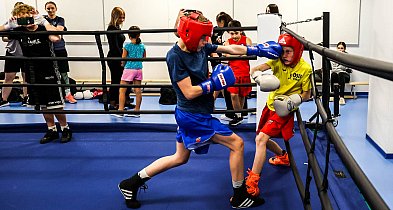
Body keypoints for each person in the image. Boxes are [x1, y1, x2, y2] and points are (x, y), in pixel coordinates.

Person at [118, 10, 282, 209]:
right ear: (190, 35)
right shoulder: (175, 56)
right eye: (203, 38)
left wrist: (257, 50)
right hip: (193, 116)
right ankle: (239, 195)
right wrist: (214, 83)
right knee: (237, 144)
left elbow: (230, 50)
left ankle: (131, 183)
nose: (207, 41)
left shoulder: (200, 47)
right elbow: (188, 92)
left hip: (194, 113)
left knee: (179, 157)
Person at [245, 33, 312, 197]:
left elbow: (307, 94)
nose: (285, 55)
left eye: (289, 51)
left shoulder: (305, 69)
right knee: (260, 138)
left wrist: (294, 100)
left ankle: (252, 182)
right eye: (283, 51)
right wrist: (258, 77)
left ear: (297, 51)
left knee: (261, 139)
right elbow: (254, 69)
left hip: (285, 109)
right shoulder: (276, 60)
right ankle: (283, 156)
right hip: (271, 105)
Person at [0, 4, 72, 144]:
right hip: (32, 72)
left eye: (27, 17)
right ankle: (51, 129)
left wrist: (44, 22)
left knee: (56, 105)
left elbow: (56, 38)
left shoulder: (44, 27)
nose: (25, 21)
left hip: (49, 70)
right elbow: (4, 36)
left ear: (33, 15)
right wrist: (9, 25)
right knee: (43, 104)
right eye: (21, 18)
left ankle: (65, 128)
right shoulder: (19, 30)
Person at [43, 1, 76, 104]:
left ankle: (68, 94)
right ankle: (54, 96)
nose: (50, 10)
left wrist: (49, 28)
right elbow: (55, 30)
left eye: (52, 8)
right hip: (48, 50)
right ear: (46, 9)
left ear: (56, 9)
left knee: (64, 73)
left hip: (60, 49)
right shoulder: (43, 19)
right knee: (50, 74)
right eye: (48, 8)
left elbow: (59, 30)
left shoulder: (60, 19)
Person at [223, 20, 252, 126]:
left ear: (241, 31)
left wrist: (234, 53)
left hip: (244, 72)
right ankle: (238, 115)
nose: (234, 36)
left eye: (236, 33)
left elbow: (248, 54)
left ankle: (239, 115)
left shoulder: (247, 40)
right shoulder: (227, 42)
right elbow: (227, 56)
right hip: (233, 73)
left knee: (242, 94)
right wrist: (241, 52)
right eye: (232, 33)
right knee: (233, 94)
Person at [112, 26, 146, 118]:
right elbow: (144, 58)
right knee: (138, 91)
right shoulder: (142, 46)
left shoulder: (127, 46)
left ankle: (121, 110)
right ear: (139, 35)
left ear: (129, 35)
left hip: (129, 69)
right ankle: (137, 111)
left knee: (122, 90)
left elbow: (123, 59)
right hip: (139, 69)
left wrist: (122, 65)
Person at [0, 1, 28, 108]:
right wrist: (13, 35)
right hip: (12, 52)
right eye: (18, 11)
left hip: (26, 53)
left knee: (26, 77)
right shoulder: (10, 22)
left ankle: (26, 98)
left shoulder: (29, 22)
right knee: (8, 77)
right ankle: (4, 100)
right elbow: (4, 38)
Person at [107, 7, 134, 110]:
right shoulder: (112, 28)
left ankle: (125, 100)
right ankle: (113, 103)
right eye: (120, 17)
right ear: (115, 17)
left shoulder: (117, 28)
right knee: (116, 80)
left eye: (123, 17)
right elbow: (114, 46)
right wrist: (123, 58)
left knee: (125, 79)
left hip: (119, 56)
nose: (122, 19)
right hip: (114, 57)